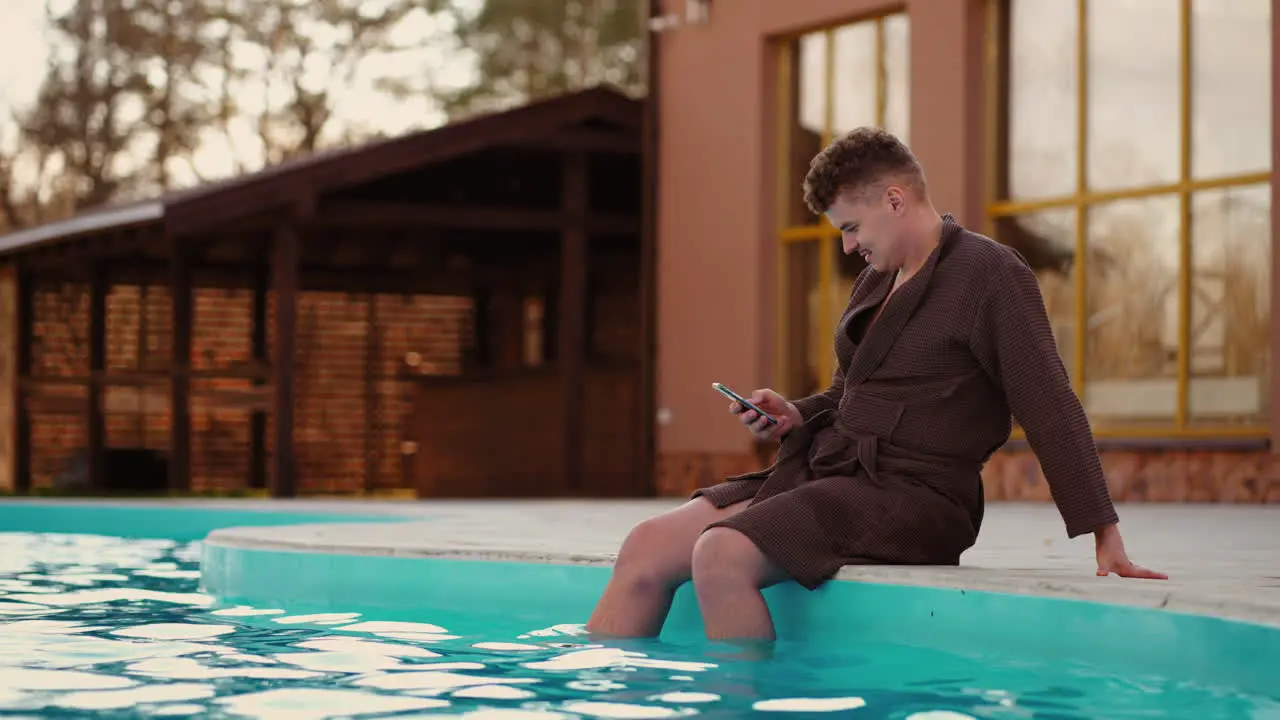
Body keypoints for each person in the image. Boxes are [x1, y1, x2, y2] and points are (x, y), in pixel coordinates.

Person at [584, 127, 1167, 643]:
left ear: (895, 199)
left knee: (720, 556)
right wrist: (792, 414)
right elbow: (848, 395)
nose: (847, 245)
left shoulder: (990, 275)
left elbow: (1049, 403)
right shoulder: (875, 281)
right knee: (645, 546)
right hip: (833, 472)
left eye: (851, 227)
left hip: (917, 497)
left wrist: (1103, 533)